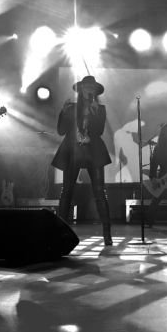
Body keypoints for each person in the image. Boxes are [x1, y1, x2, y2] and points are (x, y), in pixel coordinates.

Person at [51, 75, 113, 245]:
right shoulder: (71, 108)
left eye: (92, 88)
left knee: (100, 192)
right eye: (86, 87)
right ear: (81, 90)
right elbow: (61, 131)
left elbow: (99, 131)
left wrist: (95, 113)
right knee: (66, 192)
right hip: (73, 152)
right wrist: (63, 113)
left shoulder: (100, 109)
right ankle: (60, 232)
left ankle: (107, 234)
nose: (89, 90)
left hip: (93, 152)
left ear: (95, 91)